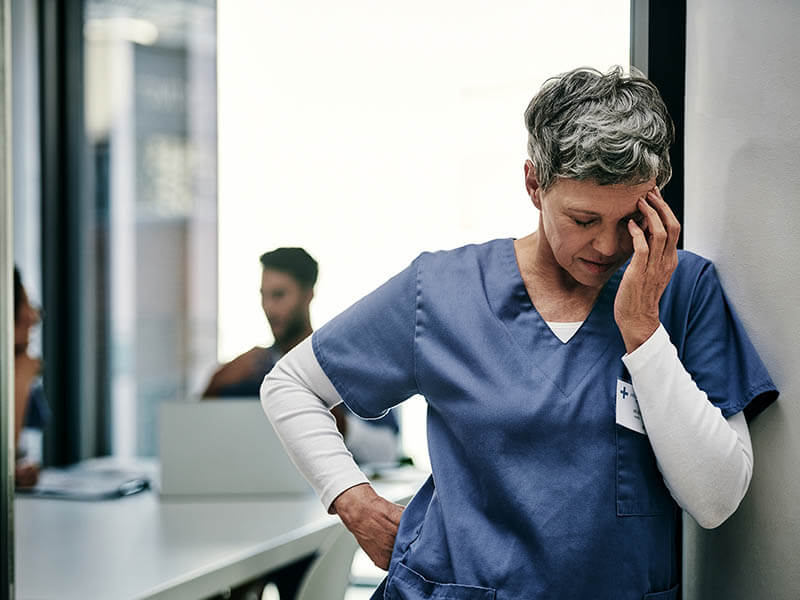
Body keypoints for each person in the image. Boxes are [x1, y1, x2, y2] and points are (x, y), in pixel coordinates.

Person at [260, 66, 779, 599]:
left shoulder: (684, 291)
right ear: (534, 184)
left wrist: (644, 332)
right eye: (582, 220)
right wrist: (352, 501)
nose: (606, 246)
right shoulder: (443, 291)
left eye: (628, 220)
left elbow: (716, 501)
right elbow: (289, 386)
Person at [203, 246, 399, 464]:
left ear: (308, 294)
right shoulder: (250, 372)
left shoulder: (347, 365)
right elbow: (202, 441)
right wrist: (215, 383)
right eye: (263, 296)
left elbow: (387, 451)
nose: (268, 307)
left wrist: (335, 423)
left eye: (279, 295)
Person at [13, 266, 49, 488]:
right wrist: (20, 381)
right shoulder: (20, 374)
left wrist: (18, 468)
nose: (34, 317)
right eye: (22, 304)